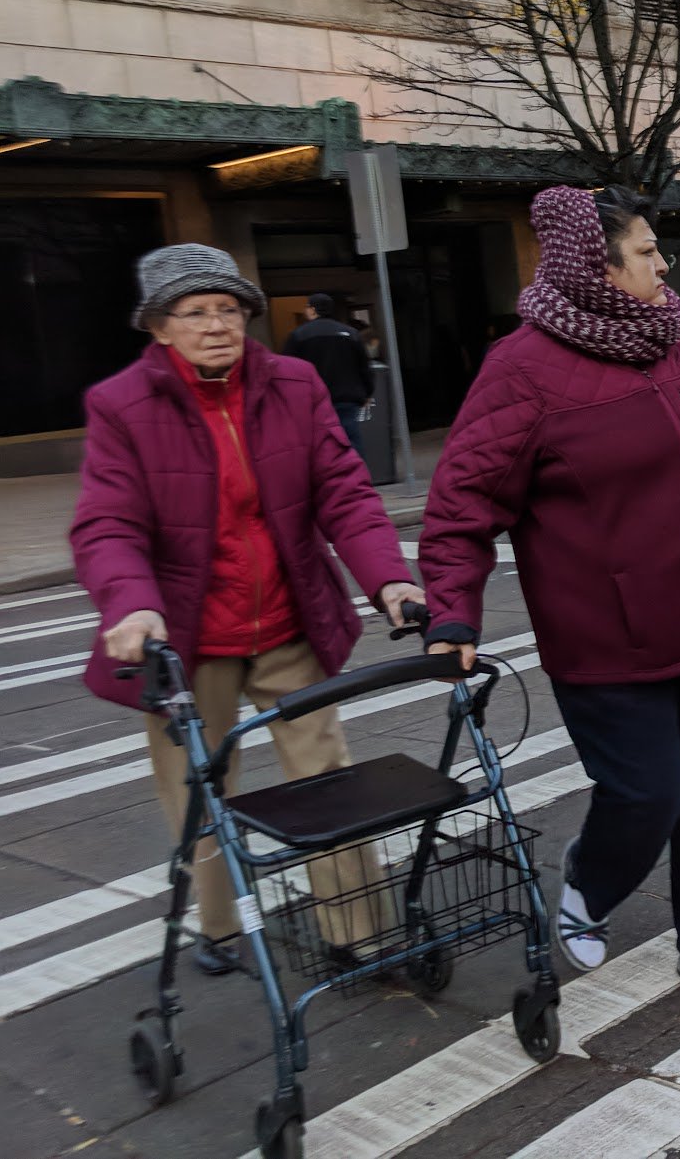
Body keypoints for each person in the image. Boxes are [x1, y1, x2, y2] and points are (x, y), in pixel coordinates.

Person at [418, 185, 680, 1003]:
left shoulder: (666, 339)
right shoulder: (522, 371)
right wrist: (451, 612)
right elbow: (461, 504)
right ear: (598, 264)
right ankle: (591, 875)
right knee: (651, 789)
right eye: (647, 251)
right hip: (610, 633)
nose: (664, 262)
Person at [70, 244, 422, 975]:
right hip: (187, 638)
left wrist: (390, 580)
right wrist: (131, 606)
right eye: (193, 311)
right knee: (198, 788)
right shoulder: (122, 404)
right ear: (159, 328)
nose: (216, 324)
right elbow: (108, 524)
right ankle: (223, 926)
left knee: (328, 779)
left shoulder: (293, 383)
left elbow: (344, 493)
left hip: (289, 621)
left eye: (228, 308)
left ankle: (359, 931)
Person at [283, 292, 376, 457]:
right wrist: (367, 392)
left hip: (312, 401)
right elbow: (364, 366)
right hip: (347, 399)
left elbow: (287, 370)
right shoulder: (350, 333)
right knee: (351, 441)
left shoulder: (298, 335)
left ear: (312, 310)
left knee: (320, 445)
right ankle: (356, 478)